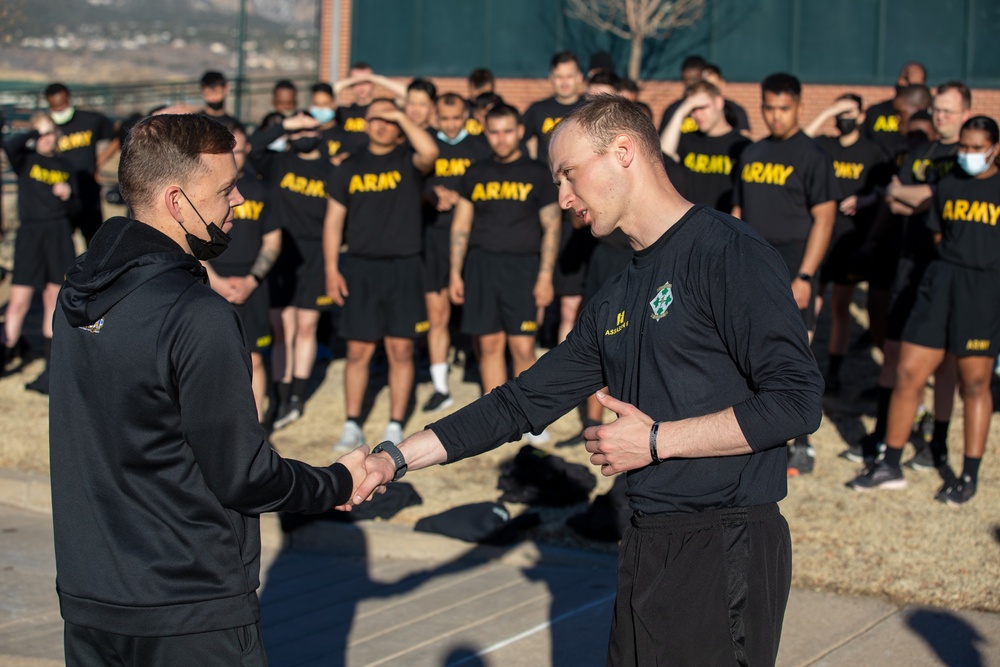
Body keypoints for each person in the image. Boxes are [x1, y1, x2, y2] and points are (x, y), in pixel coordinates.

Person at [349, 95, 823, 666]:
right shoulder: (616, 297)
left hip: (724, 544)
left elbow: (796, 401)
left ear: (623, 151)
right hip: (646, 540)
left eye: (569, 174)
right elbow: (517, 404)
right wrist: (392, 459)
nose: (563, 197)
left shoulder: (729, 253)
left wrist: (654, 442)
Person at [48, 113, 367, 666]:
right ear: (176, 201)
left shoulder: (78, 295)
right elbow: (244, 475)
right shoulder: (196, 314)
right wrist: (336, 481)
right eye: (224, 188)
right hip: (189, 608)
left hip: (91, 606)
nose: (239, 200)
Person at [849, 116, 1000, 505]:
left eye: (974, 147)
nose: (967, 154)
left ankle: (966, 475)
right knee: (907, 372)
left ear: (994, 149)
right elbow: (937, 235)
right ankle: (890, 463)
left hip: (981, 291)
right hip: (939, 284)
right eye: (963, 146)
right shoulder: (947, 185)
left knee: (975, 384)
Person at [852, 82, 971, 467]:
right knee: (893, 349)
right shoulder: (921, 153)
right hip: (906, 262)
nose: (940, 118)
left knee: (946, 360)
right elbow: (894, 197)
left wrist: (919, 197)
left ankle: (938, 438)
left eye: (948, 112)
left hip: (945, 269)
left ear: (965, 113)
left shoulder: (966, 158)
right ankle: (884, 433)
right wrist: (919, 197)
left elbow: (932, 200)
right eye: (937, 110)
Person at [731, 72, 838, 476]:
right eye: (769, 108)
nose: (775, 116)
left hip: (793, 264)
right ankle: (761, 435)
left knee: (794, 355)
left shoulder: (813, 156)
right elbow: (738, 214)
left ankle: (803, 443)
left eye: (783, 109)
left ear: (798, 107)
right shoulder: (752, 153)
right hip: (752, 262)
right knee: (748, 351)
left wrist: (807, 275)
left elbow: (824, 219)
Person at [324, 98, 439, 449]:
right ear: (364, 123)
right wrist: (331, 269)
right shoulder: (349, 165)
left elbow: (430, 151)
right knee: (358, 352)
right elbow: (333, 222)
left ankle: (394, 423)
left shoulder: (408, 159)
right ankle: (352, 422)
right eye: (374, 118)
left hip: (404, 267)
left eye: (388, 119)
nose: (381, 124)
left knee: (401, 351)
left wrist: (401, 116)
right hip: (360, 267)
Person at [448, 103, 561, 443]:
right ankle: (494, 420)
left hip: (523, 268)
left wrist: (545, 276)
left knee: (523, 347)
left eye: (507, 131)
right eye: (494, 132)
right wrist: (455, 272)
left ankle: (530, 419)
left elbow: (552, 227)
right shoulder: (475, 171)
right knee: (488, 344)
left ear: (520, 132)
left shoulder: (539, 173)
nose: (501, 139)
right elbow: (461, 224)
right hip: (481, 267)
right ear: (486, 133)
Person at [248, 111, 336, 430]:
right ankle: (281, 398)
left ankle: (297, 397)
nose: (304, 133)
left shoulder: (331, 170)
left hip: (316, 255)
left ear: (321, 131)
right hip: (280, 253)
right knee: (281, 327)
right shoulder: (277, 162)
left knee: (307, 326)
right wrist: (285, 125)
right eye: (298, 129)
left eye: (310, 127)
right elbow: (251, 148)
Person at [803, 94, 893, 395]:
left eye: (850, 112)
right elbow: (801, 141)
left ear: (862, 115)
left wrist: (868, 198)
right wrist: (829, 109)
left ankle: (835, 371)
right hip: (821, 236)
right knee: (810, 307)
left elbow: (885, 192)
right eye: (840, 113)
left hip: (850, 239)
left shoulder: (872, 151)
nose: (844, 118)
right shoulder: (825, 145)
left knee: (841, 306)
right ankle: (802, 366)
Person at [205, 122, 280, 422]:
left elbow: (273, 241)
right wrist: (216, 281)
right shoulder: (204, 190)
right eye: (228, 148)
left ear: (249, 148)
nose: (236, 152)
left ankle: (256, 431)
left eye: (240, 146)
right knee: (210, 360)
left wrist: (252, 281)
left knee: (255, 359)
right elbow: (187, 242)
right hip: (210, 281)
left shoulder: (262, 189)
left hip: (253, 285)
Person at [421, 93, 491, 412]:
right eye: (444, 118)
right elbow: (412, 181)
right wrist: (430, 192)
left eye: (456, 118)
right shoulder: (425, 144)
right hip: (433, 239)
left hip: (472, 242)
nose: (450, 125)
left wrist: (462, 197)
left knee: (476, 316)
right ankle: (440, 386)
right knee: (437, 315)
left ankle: (480, 372)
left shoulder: (480, 146)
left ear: (467, 116)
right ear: (435, 117)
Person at [2, 112, 79, 390]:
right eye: (41, 134)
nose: (47, 139)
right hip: (30, 235)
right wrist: (34, 133)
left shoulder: (65, 166)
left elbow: (76, 210)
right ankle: (6, 354)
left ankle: (51, 369)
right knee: (19, 301)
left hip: (58, 235)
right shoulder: (25, 160)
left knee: (52, 300)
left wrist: (68, 195)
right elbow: (9, 146)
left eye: (51, 133)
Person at [523, 52, 591, 348]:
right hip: (544, 204)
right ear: (552, 79)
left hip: (580, 208)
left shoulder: (588, 109)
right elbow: (525, 149)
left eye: (569, 76)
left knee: (573, 295)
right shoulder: (538, 110)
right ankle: (535, 340)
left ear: (580, 78)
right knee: (543, 277)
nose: (564, 82)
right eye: (559, 77)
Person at [661, 80, 751, 213]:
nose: (697, 115)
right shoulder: (688, 140)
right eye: (692, 109)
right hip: (691, 223)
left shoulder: (742, 145)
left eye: (702, 107)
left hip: (725, 226)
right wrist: (681, 111)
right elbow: (662, 156)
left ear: (719, 102)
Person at [44, 82, 117, 245]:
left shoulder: (89, 120)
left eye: (62, 105)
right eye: (55, 107)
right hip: (59, 191)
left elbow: (117, 135)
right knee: (61, 241)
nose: (60, 110)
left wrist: (99, 161)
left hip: (87, 187)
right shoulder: (47, 127)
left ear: (69, 99)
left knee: (94, 239)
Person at [334, 62, 407, 153]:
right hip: (349, 162)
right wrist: (352, 80)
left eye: (365, 83)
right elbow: (330, 91)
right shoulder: (344, 111)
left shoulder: (383, 109)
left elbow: (406, 93)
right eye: (357, 83)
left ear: (372, 83)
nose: (361, 88)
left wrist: (374, 78)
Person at [864, 62, 927, 151]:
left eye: (909, 79)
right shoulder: (875, 111)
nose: (904, 83)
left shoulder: (929, 116)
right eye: (904, 76)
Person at [309, 81, 351, 165]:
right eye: (316, 104)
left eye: (325, 104)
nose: (320, 109)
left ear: (334, 104)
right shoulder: (307, 134)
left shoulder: (346, 137)